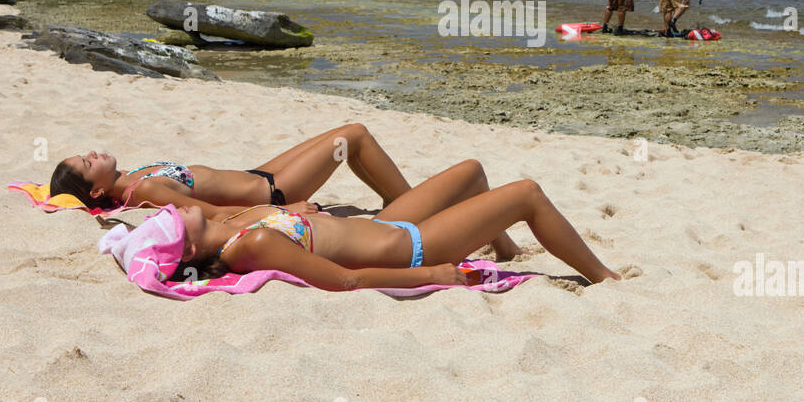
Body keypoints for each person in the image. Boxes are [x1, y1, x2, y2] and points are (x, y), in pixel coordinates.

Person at [49, 125, 523, 259]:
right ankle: (405, 203)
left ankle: (419, 206)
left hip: (260, 174)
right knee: (352, 138)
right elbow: (212, 210)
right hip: (274, 192)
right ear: (95, 189)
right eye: (86, 164)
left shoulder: (136, 173)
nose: (92, 153)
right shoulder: (146, 190)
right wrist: (287, 205)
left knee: (344, 136)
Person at [173, 165, 624, 288]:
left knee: (471, 172)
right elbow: (346, 280)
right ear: (190, 251)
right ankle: (605, 277)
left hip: (384, 225)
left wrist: (295, 211)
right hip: (411, 249)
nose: (172, 210)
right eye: (171, 221)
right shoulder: (247, 248)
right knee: (526, 192)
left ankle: (503, 248)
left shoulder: (229, 224)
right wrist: (429, 274)